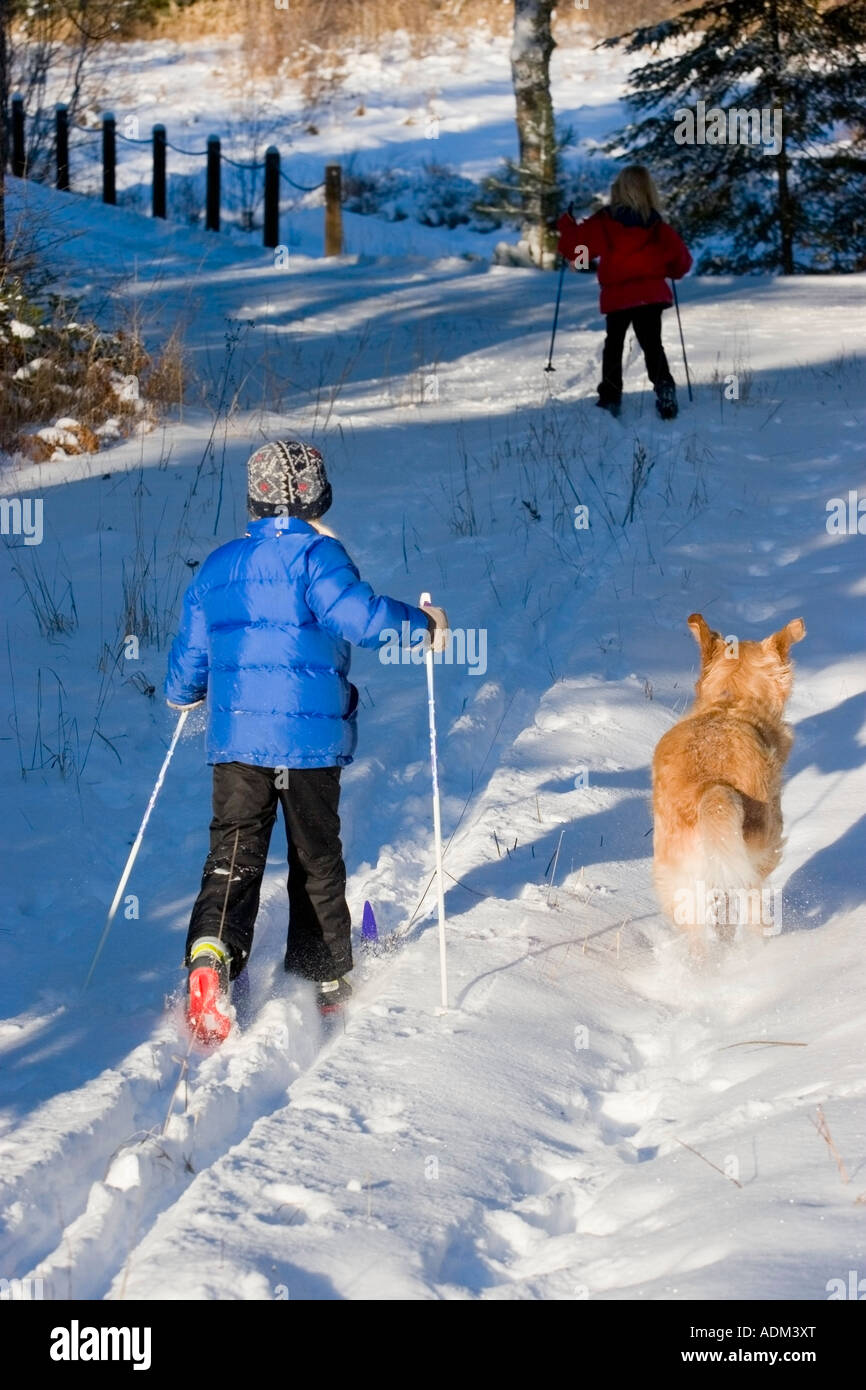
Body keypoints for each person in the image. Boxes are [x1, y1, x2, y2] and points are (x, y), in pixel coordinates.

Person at [164, 439, 448, 1043]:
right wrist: (421, 624)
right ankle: (321, 976)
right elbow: (361, 618)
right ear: (319, 495)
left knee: (233, 855)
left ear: (253, 501)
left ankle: (211, 962)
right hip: (307, 743)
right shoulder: (320, 556)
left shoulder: (218, 566)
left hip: (238, 741)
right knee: (314, 853)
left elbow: (192, 649)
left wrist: (184, 689)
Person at [556, 165, 693, 420]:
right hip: (650, 295)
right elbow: (682, 261)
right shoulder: (656, 225)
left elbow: (578, 253)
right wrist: (671, 270)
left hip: (618, 296)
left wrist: (567, 226)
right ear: (649, 191)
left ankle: (610, 397)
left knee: (614, 345)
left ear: (617, 189)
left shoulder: (605, 222)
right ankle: (664, 389)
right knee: (653, 345)